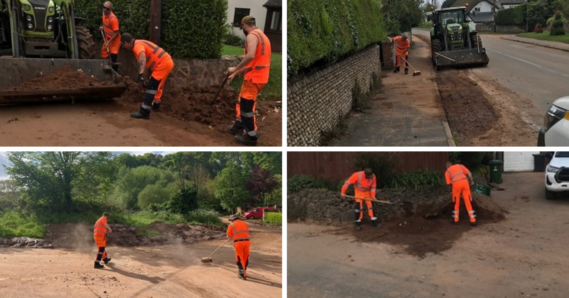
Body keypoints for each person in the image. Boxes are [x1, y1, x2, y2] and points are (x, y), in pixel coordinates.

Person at [227, 16, 272, 146]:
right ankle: (238, 126)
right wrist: (236, 73)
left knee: (246, 107)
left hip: (253, 78)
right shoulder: (263, 36)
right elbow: (253, 62)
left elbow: (250, 56)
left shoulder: (252, 36)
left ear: (245, 25)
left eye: (243, 28)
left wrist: (236, 67)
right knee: (241, 101)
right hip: (260, 76)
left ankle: (251, 136)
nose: (243, 30)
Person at [121, 33, 175, 119]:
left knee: (151, 87)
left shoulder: (137, 46)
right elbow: (145, 63)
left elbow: (142, 57)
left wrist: (140, 74)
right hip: (166, 62)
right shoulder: (139, 43)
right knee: (158, 86)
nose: (124, 47)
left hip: (162, 64)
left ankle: (144, 112)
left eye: (123, 45)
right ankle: (156, 105)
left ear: (126, 42)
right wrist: (144, 77)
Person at [445, 162, 477, 226]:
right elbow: (469, 174)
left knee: (456, 202)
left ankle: (456, 220)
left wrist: (452, 191)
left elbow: (449, 184)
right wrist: (472, 182)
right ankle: (473, 220)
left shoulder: (447, 172)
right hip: (465, 183)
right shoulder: (459, 166)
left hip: (456, 185)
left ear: (446, 167)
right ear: (452, 164)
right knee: (467, 201)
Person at [227, 214, 250, 280]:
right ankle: (244, 271)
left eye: (231, 220)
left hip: (239, 243)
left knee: (239, 258)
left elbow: (229, 235)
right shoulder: (245, 224)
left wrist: (230, 237)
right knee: (245, 258)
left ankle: (242, 274)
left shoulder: (231, 225)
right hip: (247, 242)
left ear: (233, 220)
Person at [99, 1, 121, 72]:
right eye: (104, 8)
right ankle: (106, 70)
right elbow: (107, 25)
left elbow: (116, 32)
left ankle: (115, 72)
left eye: (107, 9)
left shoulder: (113, 19)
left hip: (114, 40)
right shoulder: (104, 15)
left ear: (110, 9)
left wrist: (109, 42)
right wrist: (102, 27)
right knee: (103, 54)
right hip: (107, 38)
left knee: (113, 56)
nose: (105, 10)